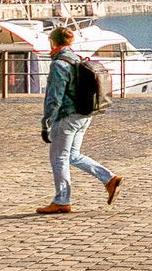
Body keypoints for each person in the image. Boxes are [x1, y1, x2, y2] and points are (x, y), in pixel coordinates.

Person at [37, 26, 123, 215]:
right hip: (84, 115)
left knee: (59, 158)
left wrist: (46, 122)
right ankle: (109, 179)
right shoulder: (76, 59)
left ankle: (62, 200)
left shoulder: (59, 64)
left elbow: (54, 97)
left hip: (67, 116)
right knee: (73, 155)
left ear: (53, 42)